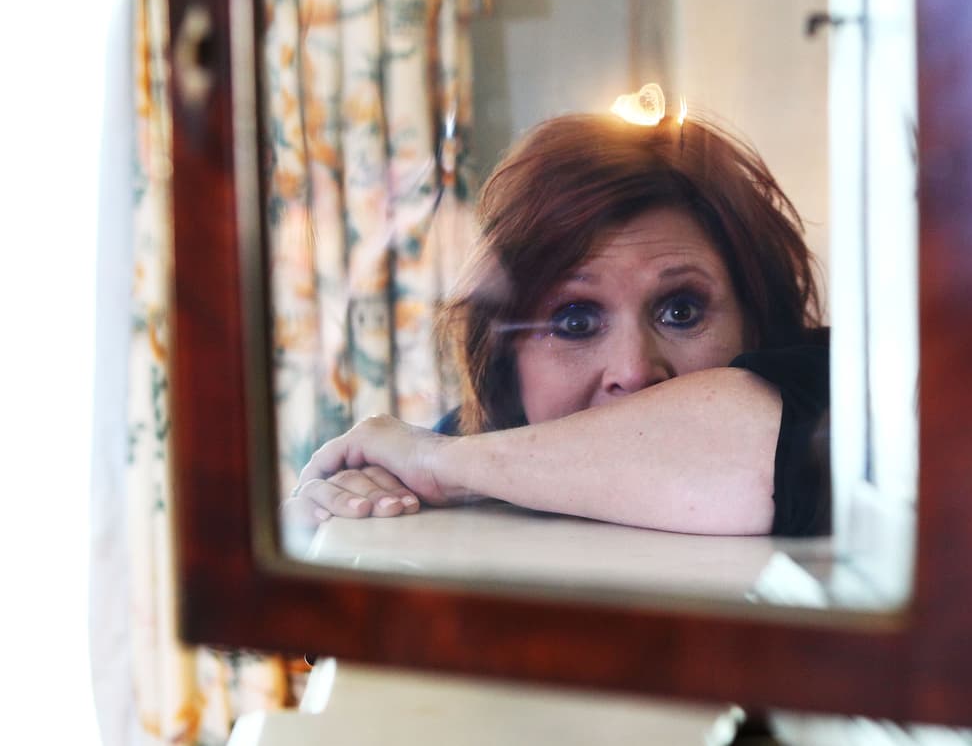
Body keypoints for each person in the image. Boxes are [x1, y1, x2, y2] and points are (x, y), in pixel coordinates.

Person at [282, 110, 830, 536]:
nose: (635, 372)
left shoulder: (840, 386)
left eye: (680, 311)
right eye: (574, 322)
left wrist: (435, 462)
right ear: (506, 359)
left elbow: (764, 456)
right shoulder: (468, 443)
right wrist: (339, 527)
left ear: (758, 320)